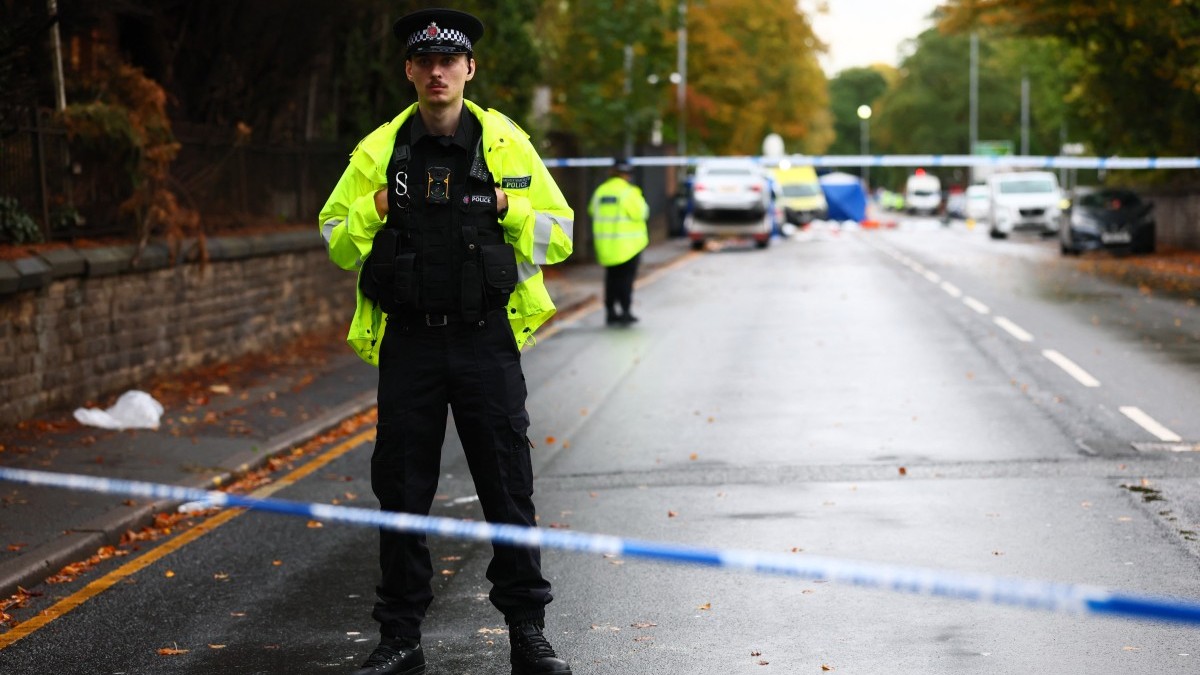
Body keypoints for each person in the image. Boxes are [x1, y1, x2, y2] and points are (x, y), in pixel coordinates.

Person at [317, 8, 574, 675]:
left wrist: (506, 207)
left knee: (509, 488)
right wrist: (370, 210)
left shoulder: (508, 145)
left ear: (468, 69)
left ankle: (528, 634)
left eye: (448, 60)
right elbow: (334, 237)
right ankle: (400, 637)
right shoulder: (378, 152)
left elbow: (562, 232)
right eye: (424, 60)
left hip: (487, 341)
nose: (437, 71)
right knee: (401, 492)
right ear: (409, 70)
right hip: (410, 346)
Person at [587, 158, 649, 325]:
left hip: (606, 246)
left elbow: (592, 210)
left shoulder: (601, 191)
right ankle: (626, 311)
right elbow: (642, 213)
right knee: (626, 280)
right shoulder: (629, 192)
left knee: (611, 279)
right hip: (629, 246)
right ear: (627, 175)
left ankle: (610, 312)